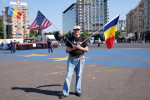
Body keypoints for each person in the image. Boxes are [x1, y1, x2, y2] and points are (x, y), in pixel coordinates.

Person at [59, 25, 88, 99]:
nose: (76, 31)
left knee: (78, 75)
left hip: (80, 59)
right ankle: (65, 92)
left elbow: (87, 49)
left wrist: (80, 47)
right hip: (71, 59)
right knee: (68, 75)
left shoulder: (83, 38)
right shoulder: (70, 39)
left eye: (78, 30)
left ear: (79, 31)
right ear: (73, 31)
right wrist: (73, 48)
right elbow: (67, 50)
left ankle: (77, 91)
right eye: (75, 30)